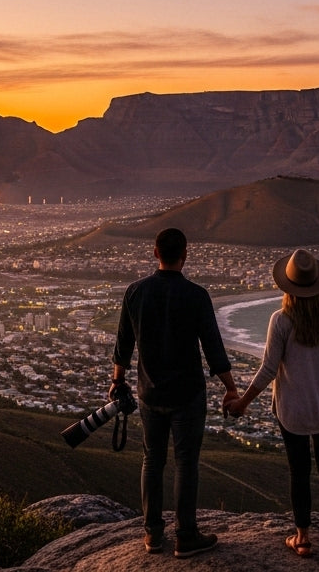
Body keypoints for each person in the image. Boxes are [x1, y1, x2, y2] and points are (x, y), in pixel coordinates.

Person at [112, 227, 240, 558]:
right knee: (186, 462)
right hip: (187, 395)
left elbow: (123, 344)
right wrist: (231, 388)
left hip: (149, 393)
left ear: (155, 253)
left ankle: (153, 535)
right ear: (185, 256)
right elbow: (213, 348)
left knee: (152, 459)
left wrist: (117, 381)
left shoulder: (135, 292)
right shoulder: (196, 296)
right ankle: (186, 536)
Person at [225, 249, 319, 557]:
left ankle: (303, 538)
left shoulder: (280, 320)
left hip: (292, 411)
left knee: (299, 471)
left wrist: (243, 401)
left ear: (287, 287)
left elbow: (269, 368)